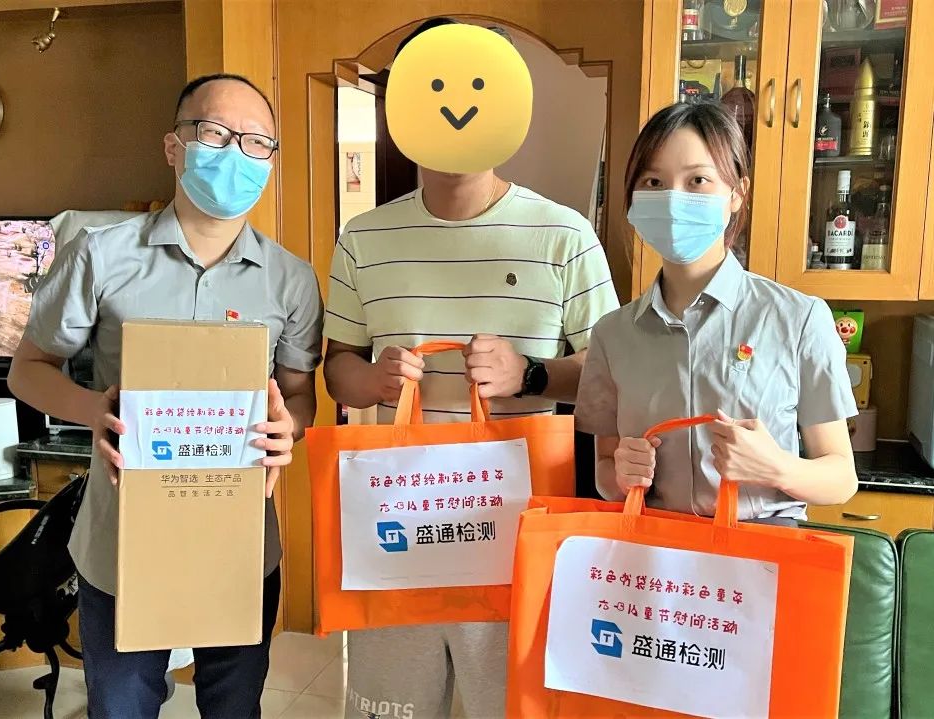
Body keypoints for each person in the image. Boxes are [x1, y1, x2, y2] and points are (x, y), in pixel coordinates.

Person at [322, 19, 619, 719]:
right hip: (398, 517)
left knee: (512, 705)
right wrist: (372, 381)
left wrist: (530, 374)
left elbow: (609, 374)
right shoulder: (363, 237)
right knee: (389, 709)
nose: (453, 108)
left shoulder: (564, 234)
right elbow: (337, 368)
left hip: (515, 524)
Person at [8, 73, 323, 718]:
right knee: (122, 706)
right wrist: (96, 409)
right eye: (215, 133)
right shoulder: (100, 257)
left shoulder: (291, 280)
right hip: (121, 541)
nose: (236, 153)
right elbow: (28, 370)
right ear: (174, 146)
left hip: (238, 543)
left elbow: (299, 397)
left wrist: (287, 429)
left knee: (234, 705)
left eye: (257, 142)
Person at [575, 101, 858, 525]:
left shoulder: (799, 319)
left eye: (698, 180)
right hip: (656, 552)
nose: (673, 199)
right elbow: (604, 469)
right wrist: (619, 475)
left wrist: (777, 468)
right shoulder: (611, 334)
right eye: (654, 181)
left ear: (736, 193)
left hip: (760, 549)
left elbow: (841, 477)